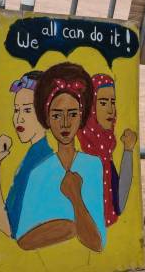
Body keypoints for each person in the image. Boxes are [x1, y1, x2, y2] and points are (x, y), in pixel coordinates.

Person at [16, 63, 106, 252]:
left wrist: (75, 197)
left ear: (81, 118)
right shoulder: (39, 172)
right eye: (57, 116)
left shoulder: (93, 166)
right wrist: (69, 228)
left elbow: (97, 243)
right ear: (47, 119)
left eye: (72, 114)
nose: (65, 123)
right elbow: (23, 240)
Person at [0, 72, 54, 239]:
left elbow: (10, 228)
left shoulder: (38, 163)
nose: (18, 118)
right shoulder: (36, 155)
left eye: (27, 110)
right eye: (16, 110)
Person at [77, 74, 137, 227]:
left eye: (113, 102)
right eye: (103, 103)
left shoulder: (106, 152)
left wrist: (128, 151)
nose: (111, 110)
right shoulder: (78, 151)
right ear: (91, 107)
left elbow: (119, 204)